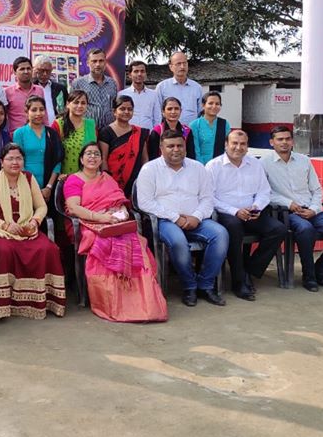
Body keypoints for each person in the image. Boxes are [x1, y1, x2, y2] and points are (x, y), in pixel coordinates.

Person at [63, 142, 167, 322]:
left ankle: (142, 303)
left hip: (114, 221)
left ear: (101, 159)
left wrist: (121, 213)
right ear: (81, 159)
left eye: (96, 154)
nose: (93, 157)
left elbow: (118, 201)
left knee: (135, 241)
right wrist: (99, 218)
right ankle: (112, 303)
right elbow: (73, 208)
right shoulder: (74, 180)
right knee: (104, 244)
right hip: (87, 224)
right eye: (88, 154)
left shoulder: (107, 178)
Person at [134, 130, 229, 308]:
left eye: (179, 146)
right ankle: (189, 286)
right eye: (170, 146)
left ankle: (206, 285)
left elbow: (208, 198)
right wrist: (175, 218)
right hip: (166, 221)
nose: (175, 150)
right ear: (161, 148)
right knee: (177, 241)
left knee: (221, 234)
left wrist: (197, 216)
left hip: (196, 220)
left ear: (185, 147)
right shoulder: (149, 169)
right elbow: (144, 202)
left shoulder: (198, 168)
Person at [0, 143, 66, 320]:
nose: (15, 162)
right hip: (2, 231)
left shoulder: (29, 178)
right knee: (4, 251)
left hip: (28, 230)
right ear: (1, 162)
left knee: (50, 249)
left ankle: (44, 302)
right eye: (10, 158)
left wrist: (35, 221)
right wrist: (5, 225)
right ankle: (3, 306)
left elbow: (41, 206)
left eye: (18, 158)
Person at [263, 125, 323, 291]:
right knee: (305, 229)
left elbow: (316, 189)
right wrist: (288, 203)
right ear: (271, 142)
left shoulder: (304, 160)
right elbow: (265, 193)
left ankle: (320, 270)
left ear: (292, 141)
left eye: (287, 139)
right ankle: (309, 276)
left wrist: (314, 208)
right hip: (287, 212)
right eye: (279, 139)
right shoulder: (263, 164)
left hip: (312, 210)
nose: (284, 143)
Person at [206, 129, 287, 301]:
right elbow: (208, 198)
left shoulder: (255, 164)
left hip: (252, 212)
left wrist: (256, 207)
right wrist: (235, 211)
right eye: (234, 143)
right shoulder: (213, 166)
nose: (238, 147)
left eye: (243, 144)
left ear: (247, 146)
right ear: (226, 145)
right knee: (234, 228)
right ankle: (238, 281)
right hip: (226, 214)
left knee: (278, 229)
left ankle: (249, 271)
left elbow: (265, 191)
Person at [12, 95, 64, 205]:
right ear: (27, 112)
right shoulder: (19, 133)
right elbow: (17, 161)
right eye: (34, 110)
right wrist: (32, 188)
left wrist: (49, 187)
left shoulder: (52, 133)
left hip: (49, 186)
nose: (38, 113)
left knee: (49, 219)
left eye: (41, 109)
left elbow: (57, 160)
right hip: (25, 184)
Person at [98, 95, 149, 198]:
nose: (126, 112)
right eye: (122, 109)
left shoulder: (139, 132)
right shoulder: (106, 132)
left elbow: (145, 158)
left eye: (130, 109)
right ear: (114, 111)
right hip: (112, 180)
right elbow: (103, 158)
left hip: (136, 180)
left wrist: (145, 178)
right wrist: (107, 180)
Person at [52, 90, 96, 179]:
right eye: (76, 102)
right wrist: (58, 174)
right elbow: (52, 153)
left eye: (83, 103)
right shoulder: (58, 124)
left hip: (88, 177)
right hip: (65, 177)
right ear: (68, 104)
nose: (79, 106)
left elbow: (96, 151)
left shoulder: (91, 125)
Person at [70, 47, 118, 129]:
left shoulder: (112, 83)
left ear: (105, 62)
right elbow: (71, 108)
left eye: (101, 61)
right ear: (88, 63)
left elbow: (114, 106)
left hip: (109, 130)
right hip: (86, 129)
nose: (98, 64)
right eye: (94, 61)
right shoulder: (78, 83)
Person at [155, 51, 203, 125]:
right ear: (171, 67)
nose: (182, 67)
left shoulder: (197, 87)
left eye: (184, 63)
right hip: (170, 133)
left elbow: (201, 112)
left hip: (192, 131)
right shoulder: (162, 87)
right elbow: (158, 113)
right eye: (178, 64)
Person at [3, 56, 46, 131]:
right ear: (14, 72)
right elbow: (3, 116)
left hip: (37, 134)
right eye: (22, 69)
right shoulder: (7, 92)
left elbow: (44, 114)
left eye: (28, 68)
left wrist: (47, 131)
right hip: (15, 136)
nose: (26, 71)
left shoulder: (39, 90)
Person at [148, 97, 195, 161]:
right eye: (169, 109)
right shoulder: (157, 131)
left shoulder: (186, 131)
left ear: (181, 111)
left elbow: (191, 155)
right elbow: (153, 156)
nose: (173, 112)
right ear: (163, 112)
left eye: (176, 109)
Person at [190, 91, 230, 164]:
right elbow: (196, 151)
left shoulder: (224, 124)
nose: (214, 106)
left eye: (217, 104)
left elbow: (228, 147)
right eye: (210, 103)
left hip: (220, 165)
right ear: (203, 105)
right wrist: (203, 167)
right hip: (200, 165)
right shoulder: (194, 125)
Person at [118, 60, 160, 130]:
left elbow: (157, 117)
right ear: (130, 75)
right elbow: (119, 117)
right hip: (128, 134)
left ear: (146, 74)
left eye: (142, 71)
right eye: (136, 71)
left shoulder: (154, 94)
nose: (139, 74)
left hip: (148, 134)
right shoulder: (122, 94)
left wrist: (154, 133)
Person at [33, 56, 68, 122]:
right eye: (42, 70)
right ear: (35, 70)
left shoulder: (60, 88)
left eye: (48, 71)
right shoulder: (31, 87)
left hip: (57, 127)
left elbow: (67, 108)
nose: (45, 74)